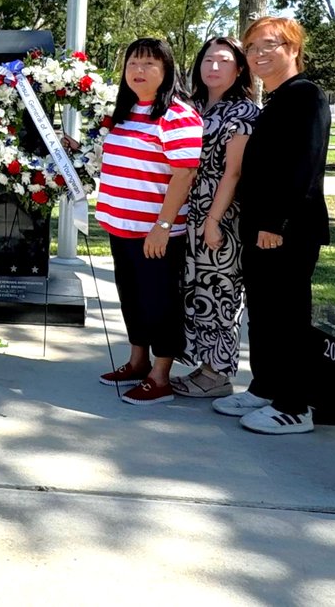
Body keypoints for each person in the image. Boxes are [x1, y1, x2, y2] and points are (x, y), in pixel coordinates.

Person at [214, 17, 330, 434]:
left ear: (292, 48)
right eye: (251, 47)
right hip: (261, 228)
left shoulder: (306, 96)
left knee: (287, 316)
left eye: (269, 45)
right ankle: (265, 387)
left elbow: (304, 166)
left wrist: (275, 223)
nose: (258, 54)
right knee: (263, 314)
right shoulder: (279, 98)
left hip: (285, 229)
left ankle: (295, 406)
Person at [95, 38, 202, 405]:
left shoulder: (177, 115)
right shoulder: (124, 112)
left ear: (167, 70)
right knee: (132, 298)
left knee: (159, 302)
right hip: (120, 226)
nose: (138, 72)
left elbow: (184, 174)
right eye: (133, 65)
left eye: (149, 65)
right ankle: (137, 361)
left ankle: (160, 376)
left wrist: (162, 225)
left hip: (155, 232)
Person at [173, 38, 258, 397]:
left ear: (239, 68)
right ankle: (199, 365)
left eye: (224, 60)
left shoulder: (244, 113)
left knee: (219, 291)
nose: (214, 67)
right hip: (184, 211)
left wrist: (212, 221)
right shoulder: (189, 107)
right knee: (191, 289)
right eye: (208, 59)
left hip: (220, 214)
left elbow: (233, 174)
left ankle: (217, 374)